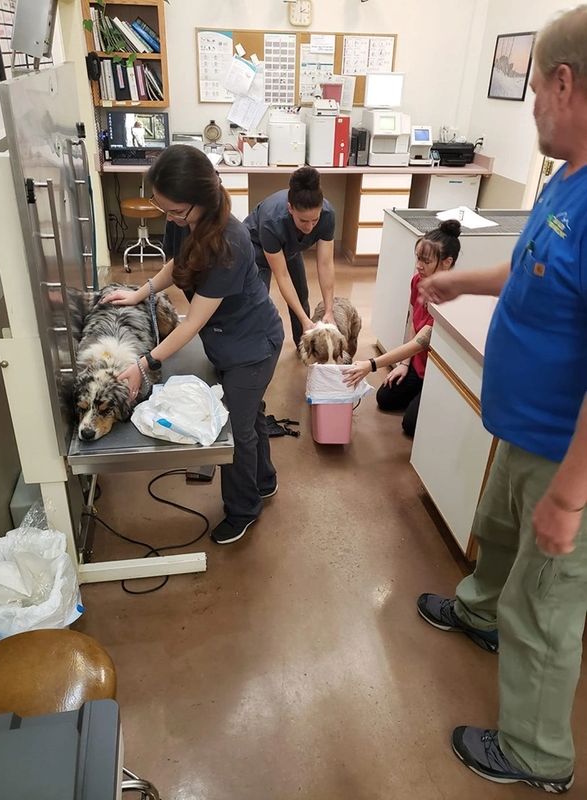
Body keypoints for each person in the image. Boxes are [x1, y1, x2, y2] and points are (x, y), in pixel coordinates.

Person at [416, 6, 587, 793]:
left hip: (567, 455)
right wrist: (459, 277)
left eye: (532, 98)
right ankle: (480, 613)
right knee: (495, 535)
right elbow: (528, 274)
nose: (531, 114)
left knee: (547, 607)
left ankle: (536, 754)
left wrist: (570, 497)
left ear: (562, 82)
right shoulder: (565, 175)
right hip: (525, 430)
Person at [102, 145, 284, 546]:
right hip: (226, 341)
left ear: (201, 201)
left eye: (175, 212)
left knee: (236, 430)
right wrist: (140, 293)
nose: (169, 218)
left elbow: (194, 321)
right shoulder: (183, 217)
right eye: (163, 209)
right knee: (249, 414)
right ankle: (265, 481)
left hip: (253, 345)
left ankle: (243, 509)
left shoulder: (231, 243)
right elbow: (178, 263)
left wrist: (144, 364)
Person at [343, 220, 461, 436]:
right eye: (418, 258)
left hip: (436, 372)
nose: (419, 265)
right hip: (419, 364)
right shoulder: (419, 281)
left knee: (411, 425)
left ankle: (432, 398)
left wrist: (371, 365)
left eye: (426, 261)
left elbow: (421, 342)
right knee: (385, 399)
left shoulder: (450, 298)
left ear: (447, 262)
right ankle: (419, 393)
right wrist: (405, 364)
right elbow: (413, 323)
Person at [244, 166, 336, 348]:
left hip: (290, 247)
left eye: (314, 220)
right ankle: (256, 350)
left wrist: (329, 310)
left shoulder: (328, 215)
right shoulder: (272, 221)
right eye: (303, 221)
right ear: (290, 209)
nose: (310, 227)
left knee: (301, 294)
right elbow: (282, 275)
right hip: (257, 248)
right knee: (258, 301)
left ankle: (303, 344)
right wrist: (304, 319)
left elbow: (325, 264)